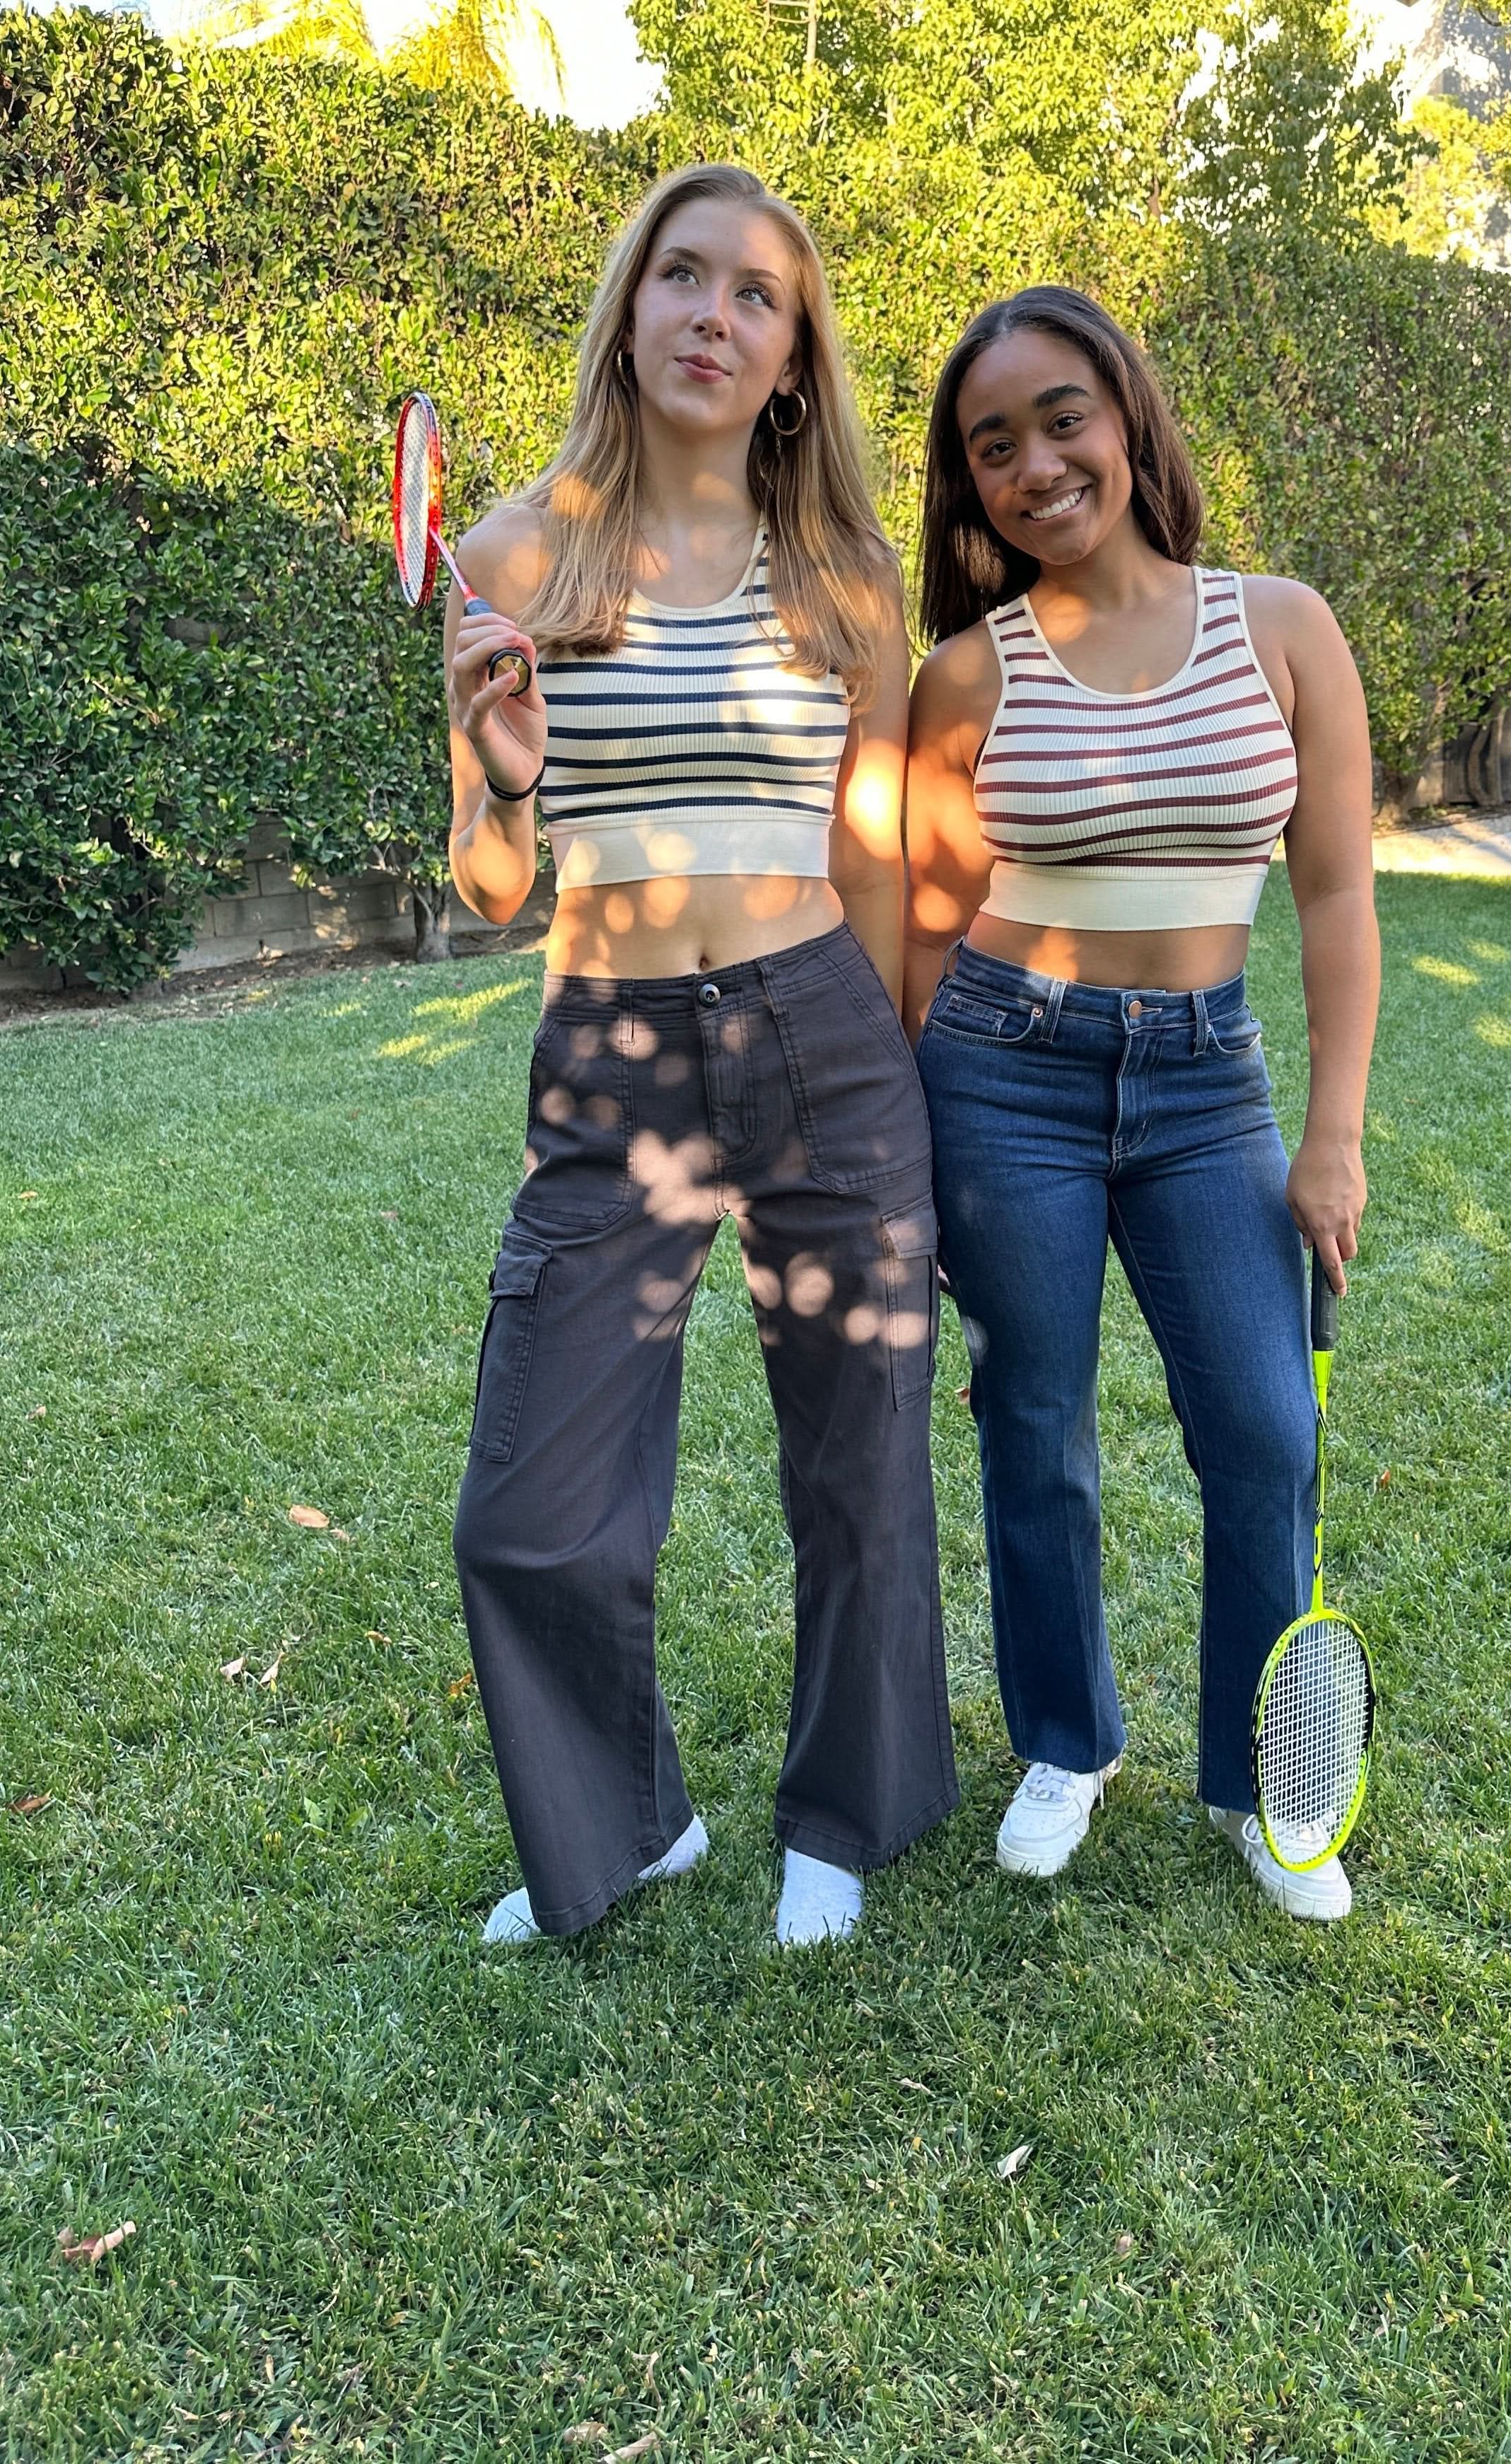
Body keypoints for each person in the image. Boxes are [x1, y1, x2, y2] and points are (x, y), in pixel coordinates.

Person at [445, 163, 957, 1952]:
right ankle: (630, 1821)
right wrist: (503, 763)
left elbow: (879, 851)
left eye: (756, 294)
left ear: (792, 357)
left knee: (862, 1457)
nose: (714, 316)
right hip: (611, 1051)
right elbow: (495, 878)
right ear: (630, 304)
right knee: (529, 1504)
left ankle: (843, 1810)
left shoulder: (842, 576)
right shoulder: (513, 556)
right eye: (683, 277)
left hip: (821, 1019)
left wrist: (902, 1081)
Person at [903, 287, 1378, 1921]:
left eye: (1060, 418)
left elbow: (1330, 901)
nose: (1035, 462)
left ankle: (1258, 1785)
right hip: (1000, 1068)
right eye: (992, 445)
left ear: (1125, 417)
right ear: (968, 488)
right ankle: (1066, 1739)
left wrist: (1330, 1130)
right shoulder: (962, 676)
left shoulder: (1284, 626)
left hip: (1204, 1080)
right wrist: (910, 1150)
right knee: (1030, 1413)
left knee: (1263, 1423)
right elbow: (918, 922)